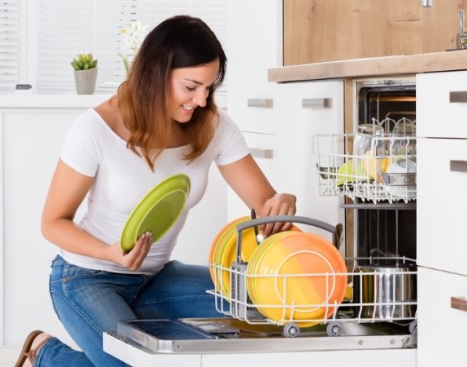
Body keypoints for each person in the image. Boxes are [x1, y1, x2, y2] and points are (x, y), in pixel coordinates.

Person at [15, 15, 296, 367]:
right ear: (156, 73)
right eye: (191, 86)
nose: (201, 99)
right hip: (86, 278)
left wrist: (280, 203)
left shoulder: (213, 126)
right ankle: (46, 354)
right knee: (133, 363)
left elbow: (264, 203)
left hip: (156, 278)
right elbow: (52, 222)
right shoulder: (95, 129)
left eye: (209, 87)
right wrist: (110, 252)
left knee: (263, 303)